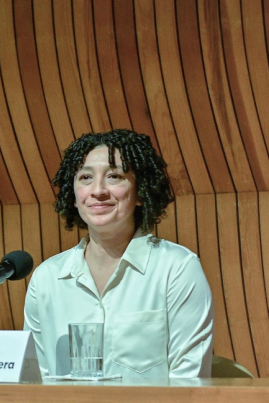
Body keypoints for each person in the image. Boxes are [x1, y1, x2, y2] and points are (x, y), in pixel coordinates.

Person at [24, 129, 213, 378]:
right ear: (73, 196)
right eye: (85, 178)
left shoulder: (177, 268)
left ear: (140, 193)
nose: (98, 190)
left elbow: (190, 382)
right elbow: (36, 380)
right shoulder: (47, 278)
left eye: (114, 176)